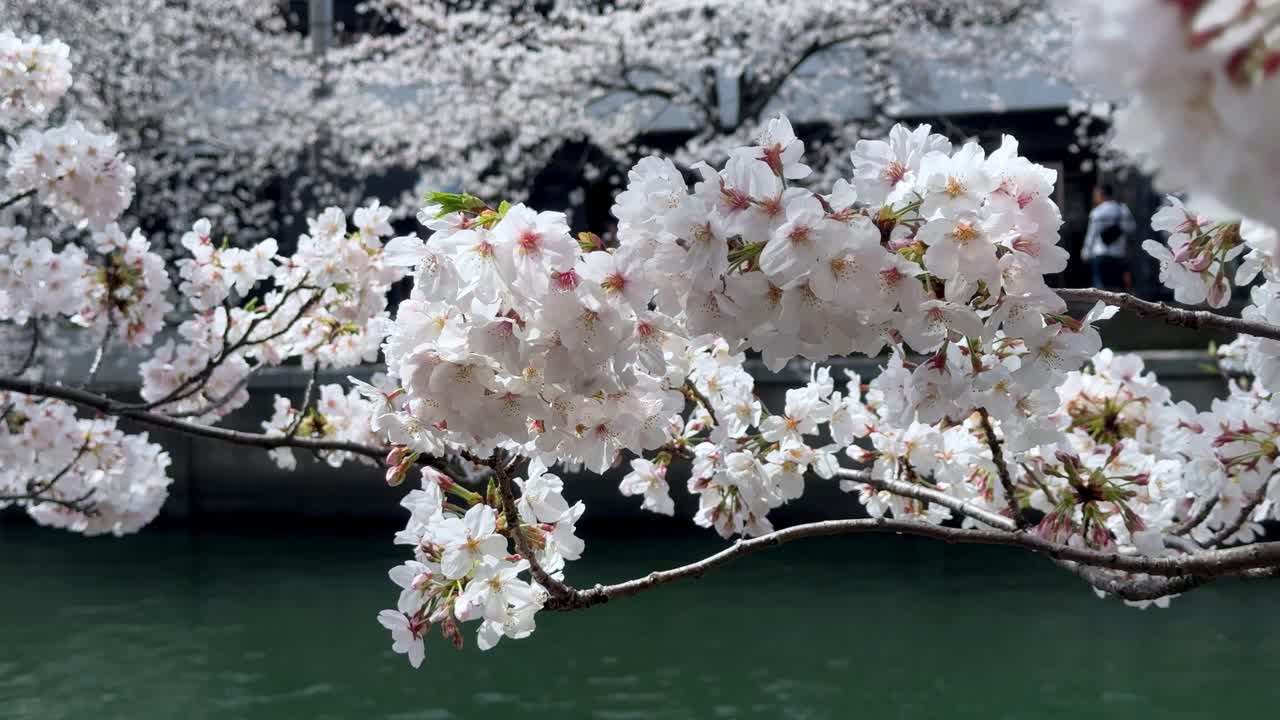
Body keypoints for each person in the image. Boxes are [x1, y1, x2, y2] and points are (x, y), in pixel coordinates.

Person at [1080, 182, 1137, 290]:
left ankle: (1104, 307)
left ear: (1101, 194)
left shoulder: (1097, 212)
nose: (1094, 197)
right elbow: (1132, 227)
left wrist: (1086, 252)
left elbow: (1091, 235)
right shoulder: (1122, 209)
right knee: (1117, 289)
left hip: (1100, 254)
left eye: (1095, 194)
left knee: (1101, 290)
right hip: (1118, 254)